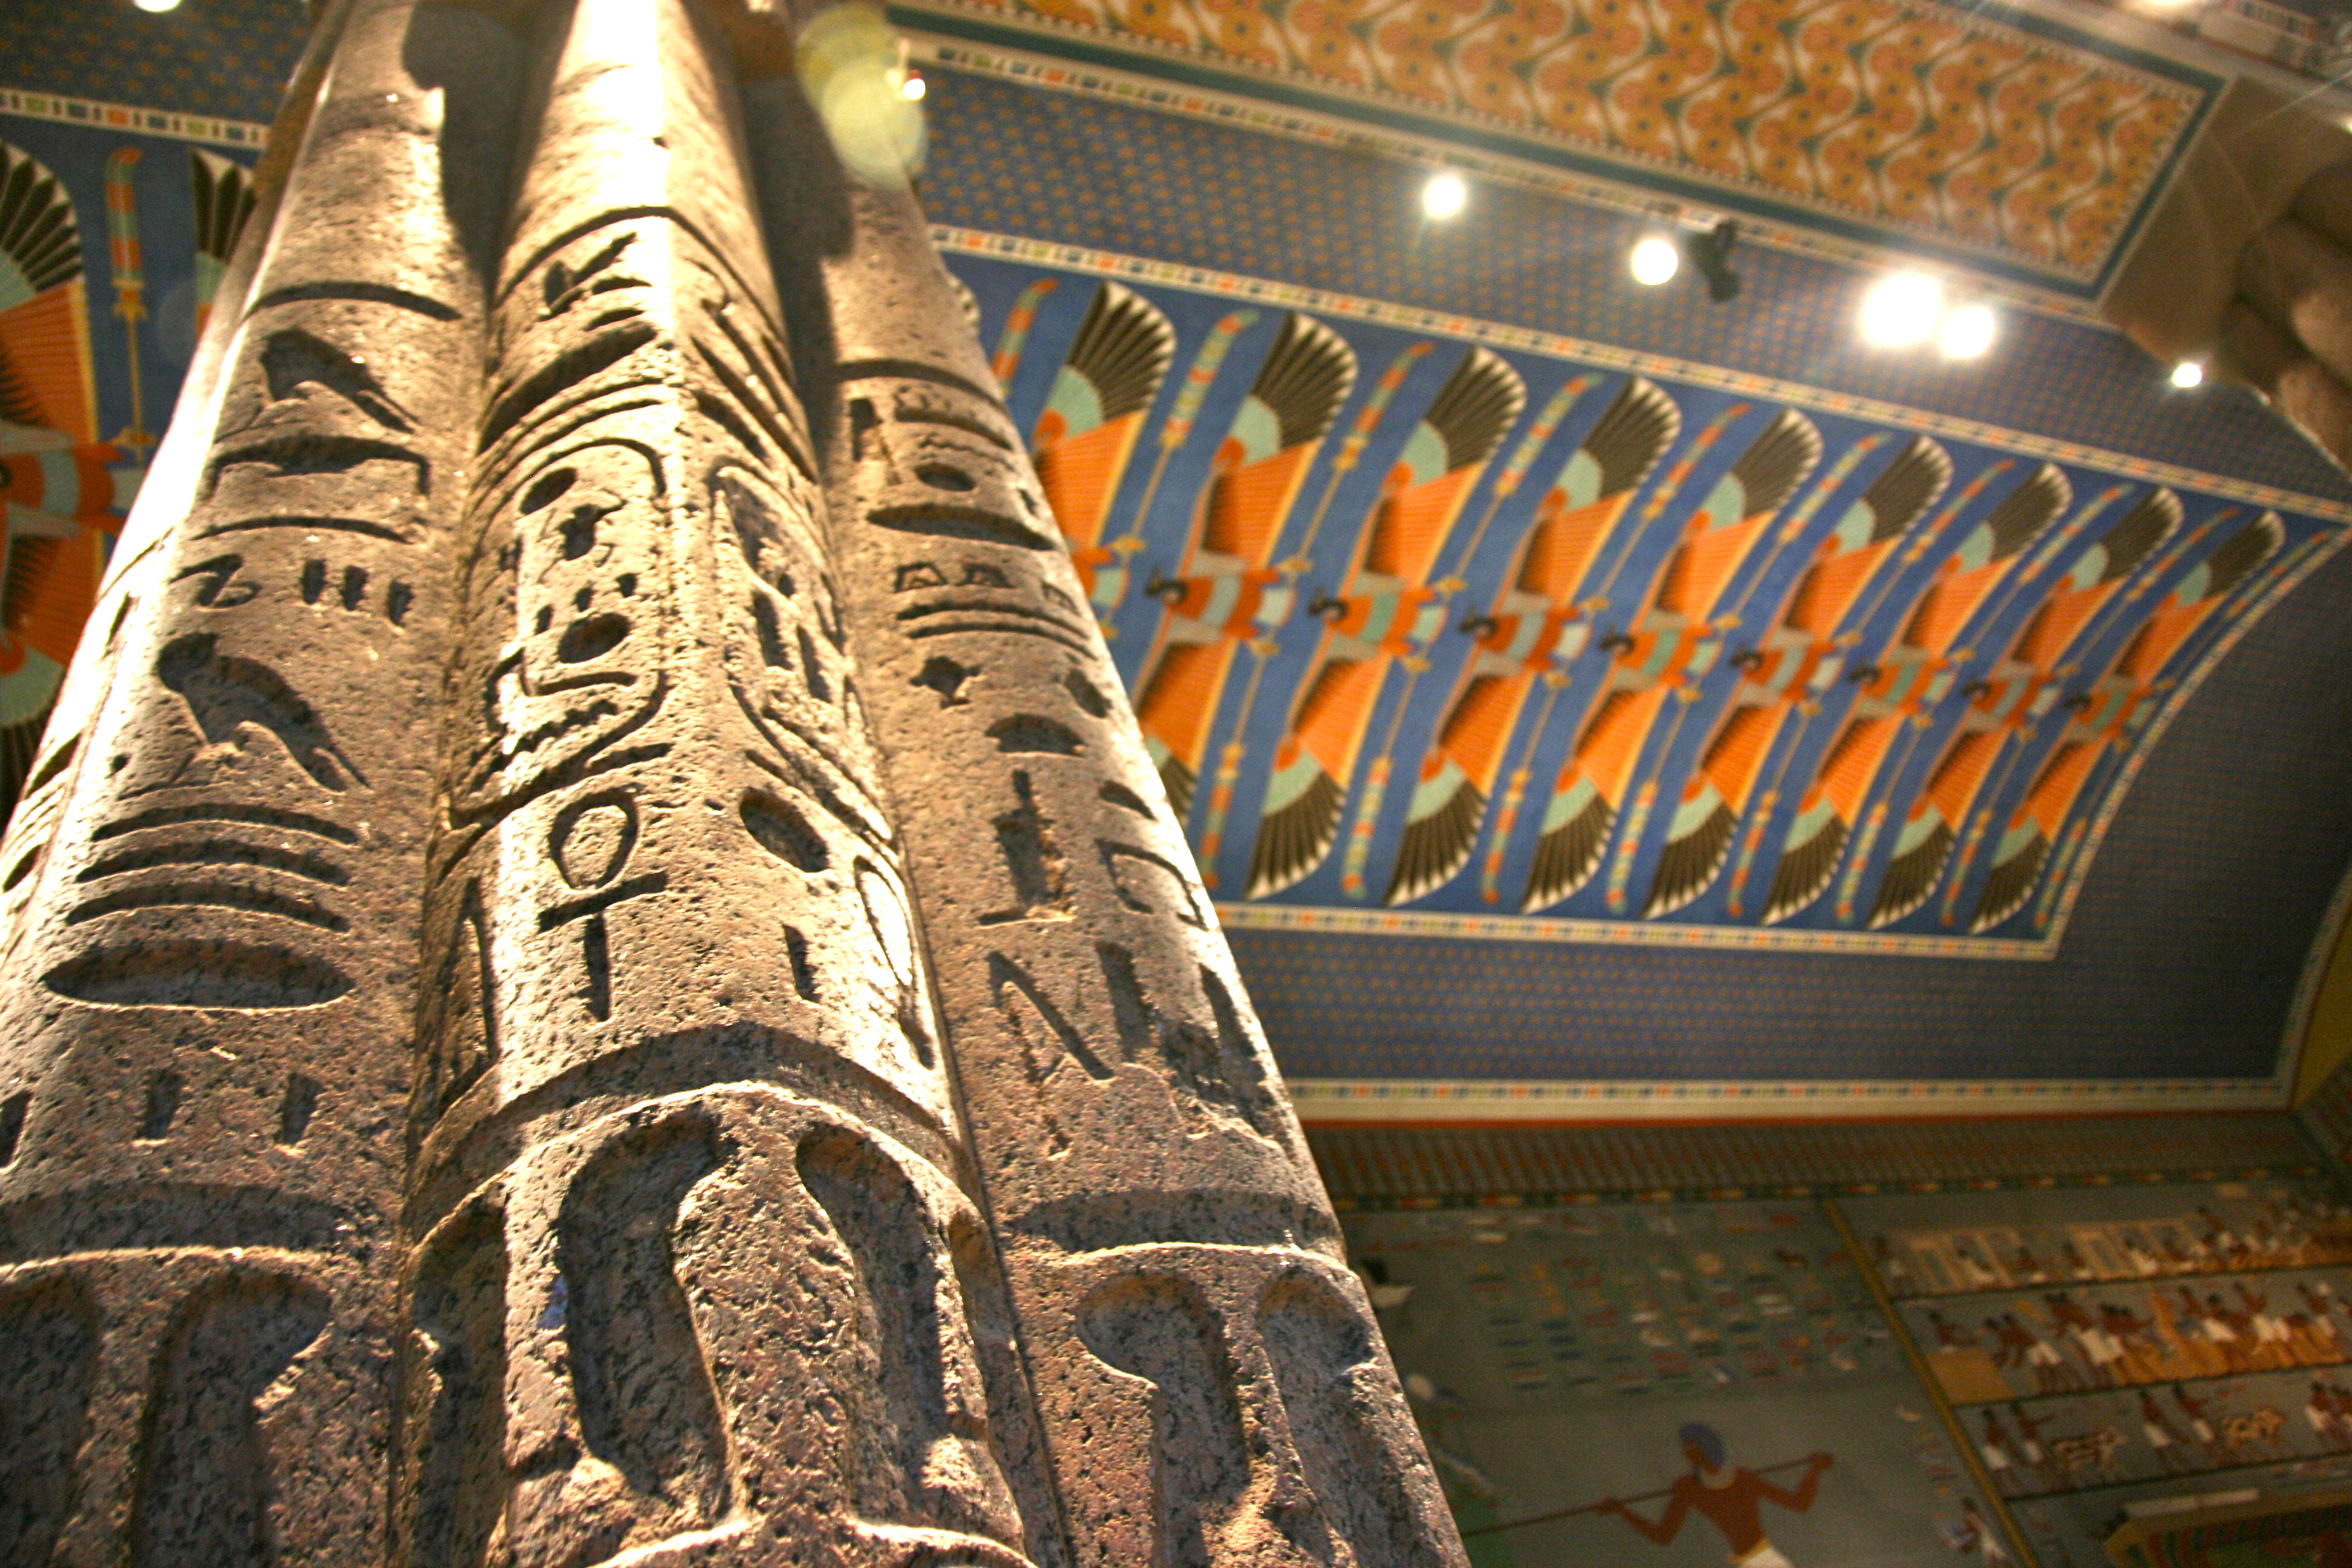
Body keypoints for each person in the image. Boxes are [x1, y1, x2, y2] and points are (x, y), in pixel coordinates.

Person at [1598, 1423, 1833, 1567]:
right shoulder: (1688, 1488)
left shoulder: (1739, 1479)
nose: (1686, 1452)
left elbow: (1798, 1504)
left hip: (1762, 1558)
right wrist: (1622, 1511)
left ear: (1707, 1445)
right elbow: (1663, 1535)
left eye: (1691, 1445)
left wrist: (1814, 1472)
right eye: (1685, 1447)